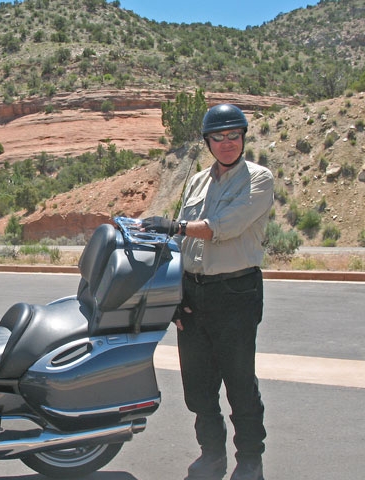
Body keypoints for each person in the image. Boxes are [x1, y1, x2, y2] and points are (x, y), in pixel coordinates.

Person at [144, 104, 274, 480]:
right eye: (219, 137)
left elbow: (224, 227)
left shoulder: (259, 178)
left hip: (235, 292)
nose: (227, 143)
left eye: (234, 135)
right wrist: (174, 294)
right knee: (198, 386)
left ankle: (250, 460)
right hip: (193, 294)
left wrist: (175, 227)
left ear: (244, 137)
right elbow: (183, 246)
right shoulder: (198, 180)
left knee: (239, 384)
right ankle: (212, 455)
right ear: (208, 142)